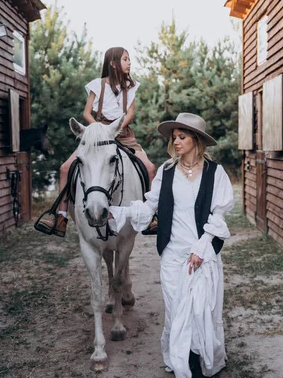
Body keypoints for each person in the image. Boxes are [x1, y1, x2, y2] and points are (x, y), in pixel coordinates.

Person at [109, 113, 234, 378]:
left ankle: (196, 360)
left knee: (200, 310)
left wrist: (201, 249)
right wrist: (119, 213)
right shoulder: (166, 171)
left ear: (196, 140)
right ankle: (183, 361)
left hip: (202, 252)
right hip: (172, 253)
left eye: (182, 137)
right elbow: (149, 205)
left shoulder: (215, 173)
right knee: (177, 310)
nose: (176, 142)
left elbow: (218, 216)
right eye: (174, 137)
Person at [37, 47, 156, 237]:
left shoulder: (131, 86)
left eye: (129, 59)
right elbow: (86, 113)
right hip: (97, 135)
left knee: (149, 168)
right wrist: (99, 131)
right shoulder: (97, 85)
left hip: (123, 133)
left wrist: (114, 129)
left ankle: (151, 215)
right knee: (65, 168)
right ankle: (59, 216)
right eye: (125, 59)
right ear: (113, 62)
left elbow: (131, 113)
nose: (129, 63)